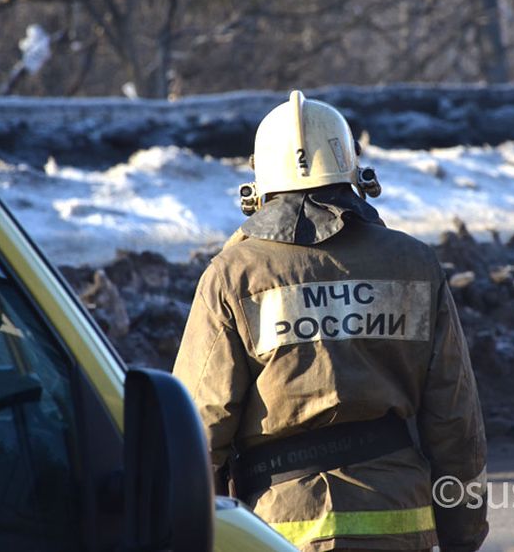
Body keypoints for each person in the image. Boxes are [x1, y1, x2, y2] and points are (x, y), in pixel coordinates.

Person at [173, 90, 488, 552]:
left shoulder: (234, 275)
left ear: (258, 188)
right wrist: (464, 534)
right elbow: (455, 421)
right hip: (399, 521)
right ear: (355, 175)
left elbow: (201, 427)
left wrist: (196, 536)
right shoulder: (414, 265)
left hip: (278, 530)